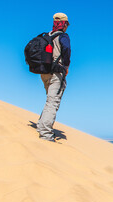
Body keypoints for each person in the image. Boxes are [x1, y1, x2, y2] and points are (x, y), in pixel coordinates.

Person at [37, 13, 71, 142]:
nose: (67, 26)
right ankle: (45, 133)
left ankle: (41, 125)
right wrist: (66, 66)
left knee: (49, 101)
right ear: (64, 24)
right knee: (52, 103)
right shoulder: (63, 36)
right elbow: (66, 49)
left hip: (44, 73)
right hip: (56, 73)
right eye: (67, 24)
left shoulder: (47, 36)